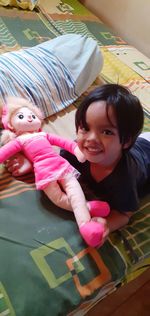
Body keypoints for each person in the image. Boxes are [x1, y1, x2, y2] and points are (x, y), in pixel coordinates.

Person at [4, 84, 150, 242]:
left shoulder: (125, 178)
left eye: (107, 132)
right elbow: (51, 166)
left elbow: (124, 214)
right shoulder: (73, 154)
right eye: (85, 128)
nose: (91, 139)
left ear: (126, 141)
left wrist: (106, 225)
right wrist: (31, 162)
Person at [0, 96, 110, 247]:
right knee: (58, 199)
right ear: (11, 125)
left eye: (32, 116)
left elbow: (63, 142)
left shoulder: (43, 135)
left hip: (60, 165)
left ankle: (86, 226)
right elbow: (3, 154)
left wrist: (76, 150)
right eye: (21, 116)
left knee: (74, 191)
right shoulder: (19, 141)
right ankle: (88, 207)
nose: (30, 119)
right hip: (44, 172)